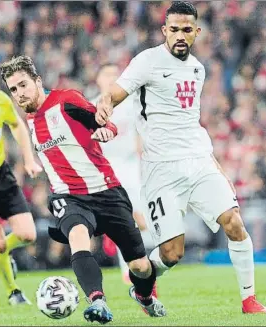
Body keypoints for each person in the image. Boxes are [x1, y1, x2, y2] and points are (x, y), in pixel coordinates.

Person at [95, 1, 266, 314]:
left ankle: (249, 300)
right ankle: (142, 277)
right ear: (164, 30)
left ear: (197, 32)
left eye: (187, 29)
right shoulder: (147, 61)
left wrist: (215, 165)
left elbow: (191, 123)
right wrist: (105, 106)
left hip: (199, 161)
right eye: (173, 29)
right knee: (172, 254)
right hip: (161, 170)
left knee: (234, 222)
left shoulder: (198, 69)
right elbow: (115, 93)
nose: (180, 35)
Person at [0, 55, 166, 324]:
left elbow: (104, 123)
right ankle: (97, 301)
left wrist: (106, 131)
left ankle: (144, 296)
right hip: (69, 196)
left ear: (38, 81)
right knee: (78, 237)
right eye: (14, 89)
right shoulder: (30, 119)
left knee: (140, 266)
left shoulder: (67, 100)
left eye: (23, 85)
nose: (19, 93)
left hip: (107, 190)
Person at [92, 63, 155, 285]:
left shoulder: (131, 103)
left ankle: (142, 264)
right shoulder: (90, 106)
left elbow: (141, 134)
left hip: (132, 168)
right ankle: (129, 271)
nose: (111, 78)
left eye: (115, 75)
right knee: (125, 222)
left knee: (143, 222)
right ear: (98, 80)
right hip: (107, 171)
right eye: (106, 74)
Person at [0, 89, 41, 305]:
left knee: (27, 235)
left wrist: (28, 159)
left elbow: (16, 125)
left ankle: (1, 253)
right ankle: (14, 292)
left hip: (1, 175)